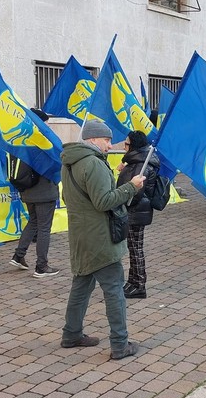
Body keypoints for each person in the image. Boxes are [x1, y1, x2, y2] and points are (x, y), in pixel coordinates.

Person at [60, 120, 145, 360]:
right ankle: (120, 344)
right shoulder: (93, 164)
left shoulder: (69, 162)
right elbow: (104, 201)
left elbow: (69, 197)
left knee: (81, 287)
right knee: (114, 291)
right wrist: (131, 187)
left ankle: (71, 334)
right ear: (93, 139)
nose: (110, 145)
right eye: (107, 140)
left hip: (81, 236)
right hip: (99, 238)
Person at [8, 109, 60, 278]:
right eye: (45, 122)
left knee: (33, 222)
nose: (47, 126)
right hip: (44, 191)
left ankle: (18, 255)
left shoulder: (22, 140)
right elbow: (55, 163)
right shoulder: (42, 141)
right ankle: (41, 266)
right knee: (44, 228)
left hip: (28, 190)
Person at [116, 130, 159, 299]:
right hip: (134, 211)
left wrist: (124, 204)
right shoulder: (135, 162)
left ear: (133, 146)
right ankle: (133, 281)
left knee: (136, 249)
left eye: (126, 143)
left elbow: (136, 193)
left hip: (136, 211)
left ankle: (139, 285)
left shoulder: (142, 164)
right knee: (133, 248)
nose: (124, 146)